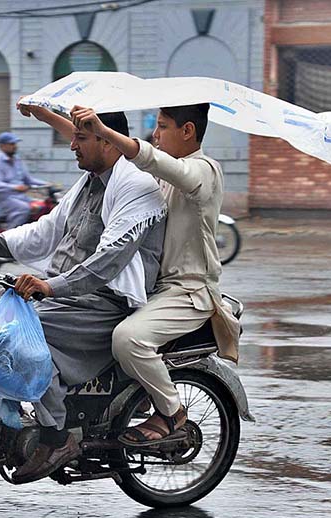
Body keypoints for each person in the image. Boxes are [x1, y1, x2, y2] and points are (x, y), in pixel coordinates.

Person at [0, 108, 166, 484]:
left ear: (106, 139)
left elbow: (108, 262)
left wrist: (50, 287)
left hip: (103, 301)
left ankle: (56, 436)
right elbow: (42, 233)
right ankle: (9, 408)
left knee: (22, 333)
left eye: (80, 138)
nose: (71, 145)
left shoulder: (136, 186)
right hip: (65, 292)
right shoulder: (89, 182)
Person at [70, 104, 240, 446]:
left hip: (189, 291)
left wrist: (104, 131)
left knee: (128, 338)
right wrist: (52, 117)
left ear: (188, 131)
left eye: (162, 126)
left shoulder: (205, 171)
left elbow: (150, 159)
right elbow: (97, 150)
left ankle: (172, 414)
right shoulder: (161, 175)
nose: (155, 134)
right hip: (154, 289)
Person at [0, 131, 47, 229]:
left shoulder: (17, 160)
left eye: (15, 144)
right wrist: (15, 187)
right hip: (3, 199)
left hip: (19, 197)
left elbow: (28, 179)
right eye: (11, 144)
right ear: (2, 146)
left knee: (41, 207)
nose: (15, 146)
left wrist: (48, 185)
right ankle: (8, 238)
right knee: (24, 209)